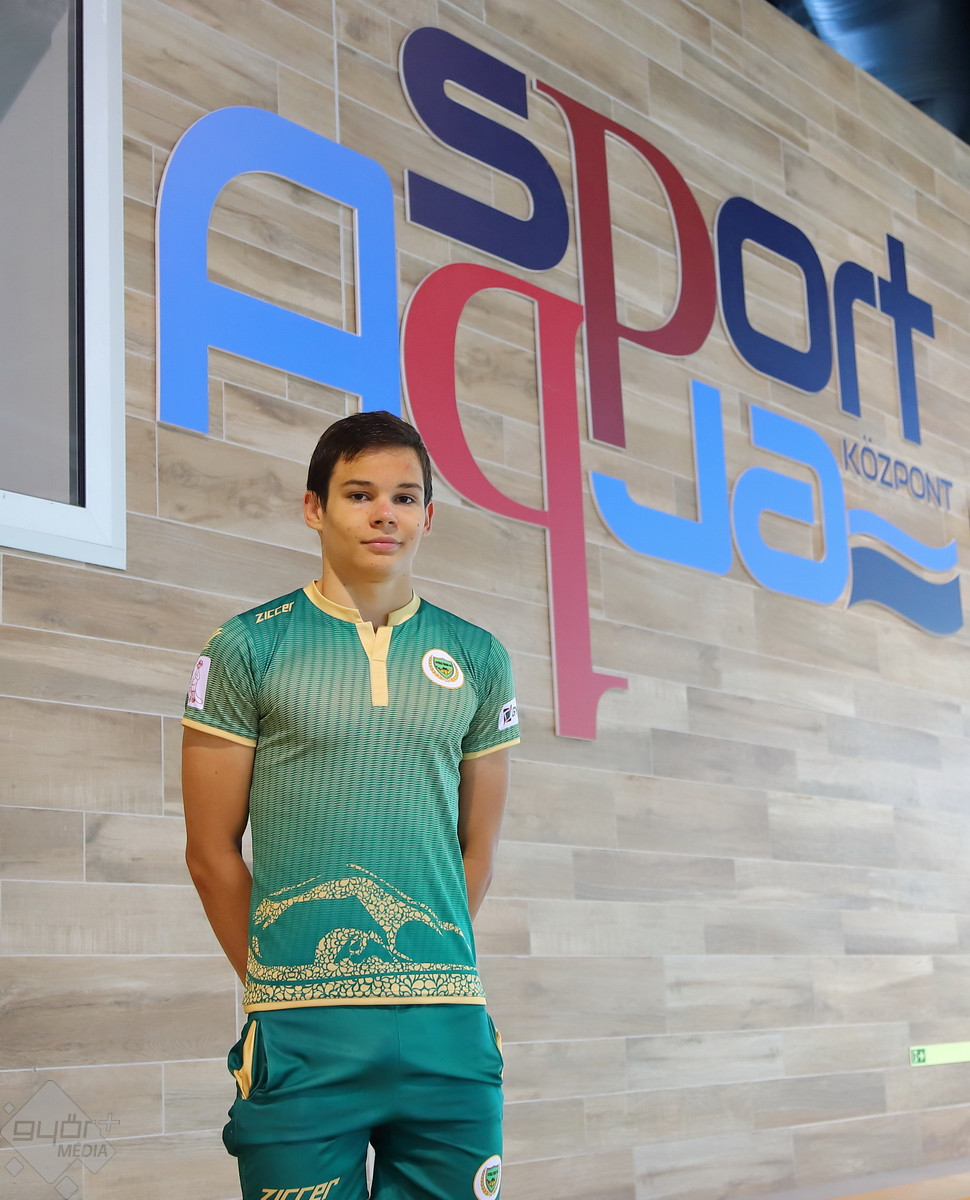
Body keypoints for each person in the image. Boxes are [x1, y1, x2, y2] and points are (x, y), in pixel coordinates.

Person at [181, 410, 518, 1200]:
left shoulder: (479, 657)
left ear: (428, 517)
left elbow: (476, 850)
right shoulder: (248, 646)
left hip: (448, 1029)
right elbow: (210, 852)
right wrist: (282, 983)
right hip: (303, 1034)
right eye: (359, 494)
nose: (384, 514)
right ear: (314, 508)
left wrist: (421, 961)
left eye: (404, 498)